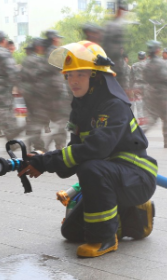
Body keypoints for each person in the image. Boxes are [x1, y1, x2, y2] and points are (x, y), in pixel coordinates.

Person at [18, 41, 157, 258]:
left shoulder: (114, 106)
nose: (73, 81)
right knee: (71, 233)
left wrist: (47, 162)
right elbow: (75, 151)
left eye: (81, 74)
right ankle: (129, 215)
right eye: (69, 75)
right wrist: (42, 160)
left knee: (91, 168)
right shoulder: (81, 107)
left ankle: (105, 239)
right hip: (110, 176)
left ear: (97, 76)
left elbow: (96, 149)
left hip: (136, 177)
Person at [142, 40, 167, 148]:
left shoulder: (147, 64)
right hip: (163, 94)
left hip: (150, 92)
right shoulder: (161, 63)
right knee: (166, 118)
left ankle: (140, 133)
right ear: (157, 50)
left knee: (151, 117)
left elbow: (145, 78)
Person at [102, 0, 129, 89]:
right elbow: (110, 49)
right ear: (119, 10)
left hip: (111, 65)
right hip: (113, 66)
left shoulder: (111, 25)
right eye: (124, 11)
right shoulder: (114, 26)